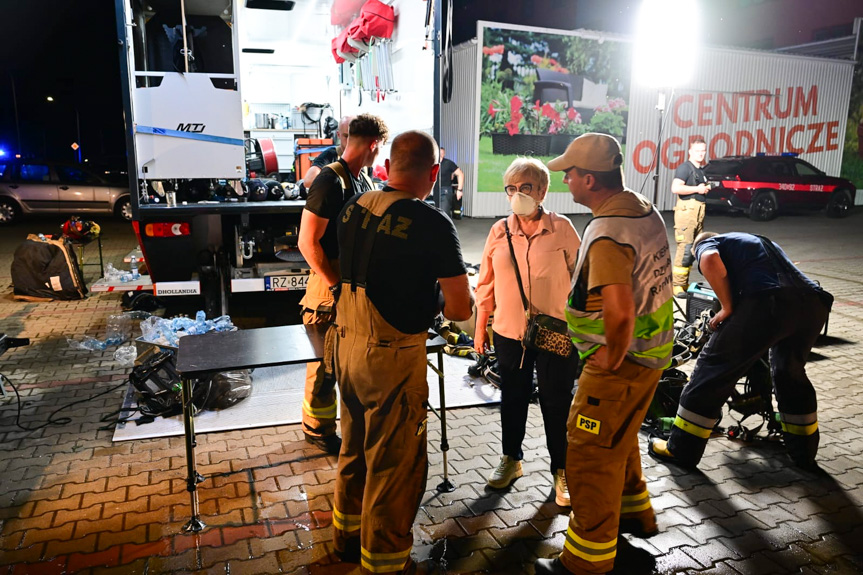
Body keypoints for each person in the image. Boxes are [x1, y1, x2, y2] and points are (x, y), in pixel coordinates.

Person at [331, 130, 474, 573]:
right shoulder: (432, 223)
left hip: (344, 344)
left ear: (388, 166)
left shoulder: (355, 206)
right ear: (433, 174)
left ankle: (346, 538)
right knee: (394, 466)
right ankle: (386, 562)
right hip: (390, 357)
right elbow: (459, 307)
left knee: (353, 449)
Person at [535, 133, 674, 575]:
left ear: (590, 180)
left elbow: (619, 310)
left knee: (591, 455)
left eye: (570, 174)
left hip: (620, 365)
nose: (567, 181)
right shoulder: (641, 208)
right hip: (650, 358)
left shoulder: (608, 233)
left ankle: (585, 563)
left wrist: (609, 360)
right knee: (619, 446)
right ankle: (625, 527)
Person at [649, 232, 833, 470]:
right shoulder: (760, 243)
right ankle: (803, 453)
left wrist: (726, 308)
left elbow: (710, 259)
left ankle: (681, 450)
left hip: (769, 302)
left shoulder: (708, 242)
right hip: (812, 305)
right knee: (790, 375)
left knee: (711, 371)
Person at [473, 157, 581, 507]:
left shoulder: (562, 228)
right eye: (511, 188)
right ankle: (511, 458)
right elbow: (485, 284)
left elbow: (582, 281)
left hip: (555, 331)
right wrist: (480, 328)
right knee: (513, 398)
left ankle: (562, 470)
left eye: (526, 188)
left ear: (543, 191)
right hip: (509, 332)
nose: (517, 195)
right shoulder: (498, 231)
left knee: (556, 401)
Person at [297, 114, 389, 454]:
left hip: (351, 288)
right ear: (373, 144)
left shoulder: (362, 180)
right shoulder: (329, 180)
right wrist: (336, 286)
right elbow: (308, 244)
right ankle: (317, 430)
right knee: (323, 367)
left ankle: (346, 429)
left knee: (348, 364)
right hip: (328, 290)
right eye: (380, 150)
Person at [671, 137, 710, 298]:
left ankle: (684, 283)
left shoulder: (700, 170)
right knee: (685, 249)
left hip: (697, 213)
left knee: (694, 249)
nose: (700, 154)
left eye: (703, 151)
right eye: (697, 151)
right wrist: (698, 189)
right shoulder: (685, 168)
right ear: (690, 152)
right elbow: (675, 188)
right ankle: (677, 286)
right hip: (687, 214)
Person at [302, 115, 353, 189]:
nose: (350, 140)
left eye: (353, 136)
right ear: (338, 135)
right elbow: (308, 181)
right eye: (346, 136)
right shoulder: (330, 155)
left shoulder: (364, 159)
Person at [436, 147, 464, 218]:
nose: (441, 155)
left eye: (442, 153)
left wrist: (459, 190)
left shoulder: (449, 163)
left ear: (444, 154)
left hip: (445, 190)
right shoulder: (430, 163)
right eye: (439, 153)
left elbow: (460, 174)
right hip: (433, 191)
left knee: (444, 213)